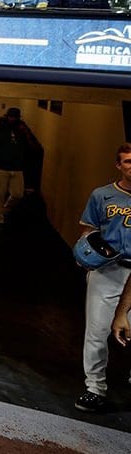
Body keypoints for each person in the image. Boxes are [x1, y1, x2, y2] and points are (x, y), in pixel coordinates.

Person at [75, 143, 131, 414]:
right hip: (109, 270)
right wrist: (89, 254)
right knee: (97, 332)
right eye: (128, 161)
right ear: (118, 165)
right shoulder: (103, 195)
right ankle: (94, 389)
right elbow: (88, 229)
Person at [0, 107, 39, 230]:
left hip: (17, 167)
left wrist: (26, 133)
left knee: (17, 193)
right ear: (7, 117)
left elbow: (34, 147)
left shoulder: (21, 132)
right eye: (11, 116)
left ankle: (3, 210)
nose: (13, 119)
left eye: (15, 117)